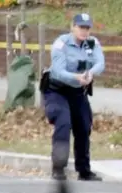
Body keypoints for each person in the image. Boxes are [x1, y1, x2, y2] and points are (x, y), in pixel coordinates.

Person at [43, 13, 105, 181]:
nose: (84, 31)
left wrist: (90, 73)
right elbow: (58, 71)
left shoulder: (92, 43)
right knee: (63, 123)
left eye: (87, 28)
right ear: (73, 27)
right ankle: (58, 168)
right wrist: (76, 77)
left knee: (84, 126)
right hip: (57, 90)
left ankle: (84, 171)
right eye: (81, 27)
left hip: (78, 91)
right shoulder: (61, 43)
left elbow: (100, 63)